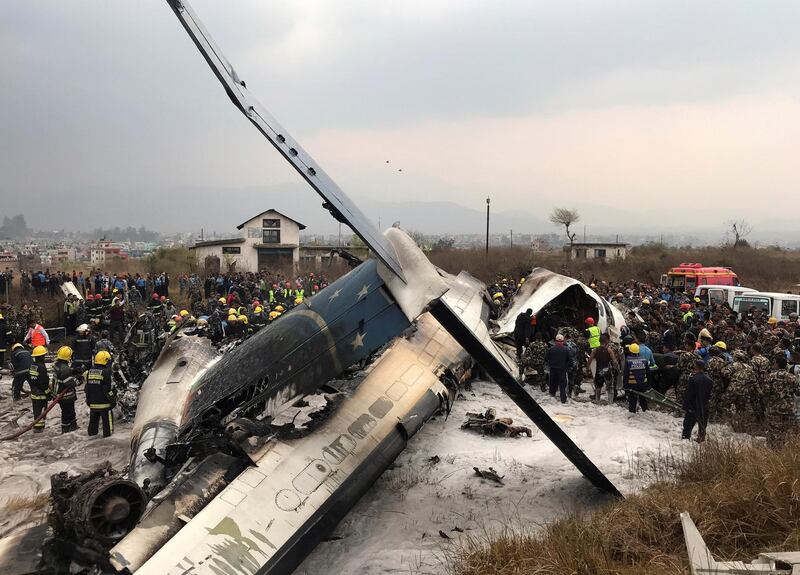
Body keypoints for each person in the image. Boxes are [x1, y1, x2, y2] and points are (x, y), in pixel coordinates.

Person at [85, 350, 115, 437]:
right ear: (105, 360)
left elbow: (88, 387)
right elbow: (107, 389)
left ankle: (92, 435)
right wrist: (112, 399)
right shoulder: (106, 372)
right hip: (104, 404)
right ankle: (107, 437)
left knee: (93, 422)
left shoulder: (90, 371)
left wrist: (88, 400)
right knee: (107, 426)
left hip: (93, 404)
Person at [682, 360, 713, 442]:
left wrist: (685, 406)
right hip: (704, 405)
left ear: (696, 367)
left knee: (688, 424)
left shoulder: (693, 379)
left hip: (693, 405)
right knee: (702, 424)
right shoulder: (709, 380)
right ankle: (701, 438)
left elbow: (689, 394)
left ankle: (685, 438)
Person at [51, 346, 79, 433]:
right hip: (65, 396)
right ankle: (66, 429)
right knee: (68, 412)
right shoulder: (65, 369)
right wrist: (79, 379)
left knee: (68, 411)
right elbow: (70, 383)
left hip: (58, 394)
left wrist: (72, 371)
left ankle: (72, 426)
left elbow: (63, 375)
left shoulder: (58, 365)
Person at [623, 343, 651, 413]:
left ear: (630, 352)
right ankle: (645, 411)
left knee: (632, 401)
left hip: (633, 385)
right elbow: (648, 373)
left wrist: (625, 387)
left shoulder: (628, 361)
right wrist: (649, 385)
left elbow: (626, 375)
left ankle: (632, 414)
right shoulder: (644, 360)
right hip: (643, 384)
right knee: (643, 399)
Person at [589, 333, 618, 402]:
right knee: (610, 388)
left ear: (599, 341)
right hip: (607, 370)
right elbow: (614, 361)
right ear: (607, 341)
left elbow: (590, 360)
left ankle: (597, 401)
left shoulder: (595, 350)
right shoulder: (609, 350)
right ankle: (610, 402)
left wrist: (587, 369)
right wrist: (616, 367)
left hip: (599, 371)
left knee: (598, 387)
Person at [29, 345, 50, 433]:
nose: (44, 357)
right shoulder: (41, 367)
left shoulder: (33, 365)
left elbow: (32, 379)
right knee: (42, 411)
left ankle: (37, 426)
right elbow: (43, 382)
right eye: (43, 356)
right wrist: (48, 392)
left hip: (34, 393)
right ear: (41, 356)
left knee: (36, 411)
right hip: (41, 394)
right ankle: (39, 428)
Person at [546, 334, 571, 403]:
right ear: (563, 341)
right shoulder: (566, 350)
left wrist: (550, 364)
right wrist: (567, 368)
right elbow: (570, 360)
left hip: (553, 369)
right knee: (562, 385)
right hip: (562, 370)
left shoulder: (551, 349)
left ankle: (552, 397)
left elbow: (546, 358)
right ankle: (563, 399)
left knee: (553, 383)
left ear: (555, 341)